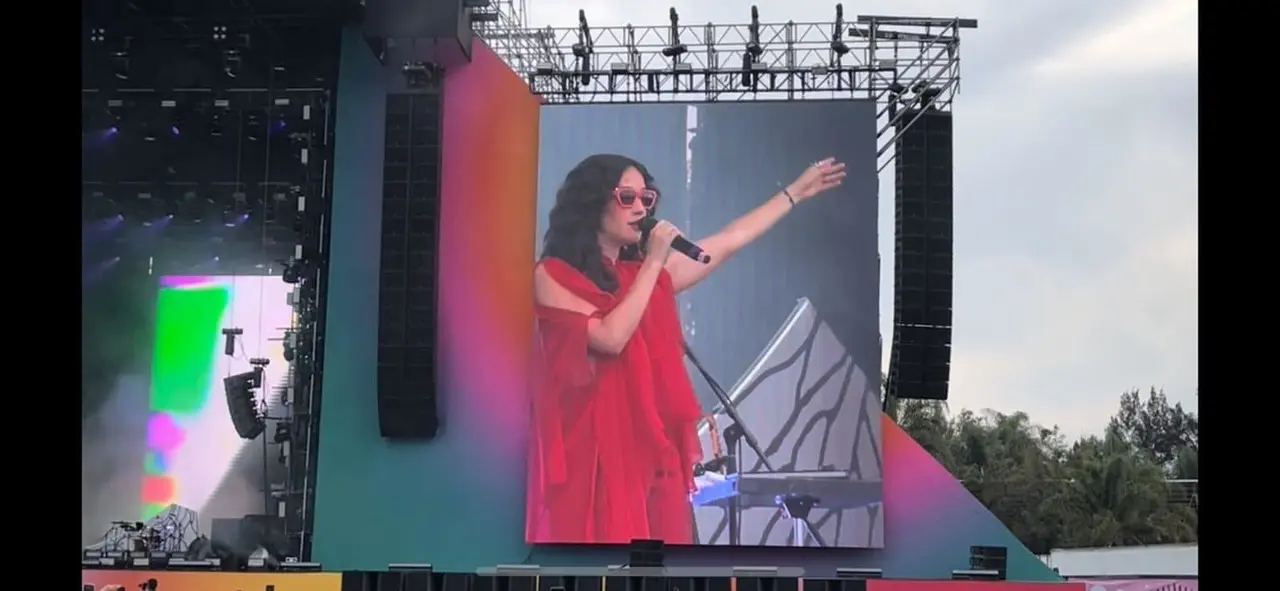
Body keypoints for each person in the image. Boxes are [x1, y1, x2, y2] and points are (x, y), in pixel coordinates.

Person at [526, 153, 847, 544]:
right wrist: (654, 262)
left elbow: (728, 241)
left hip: (651, 464)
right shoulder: (551, 274)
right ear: (591, 202)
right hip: (594, 465)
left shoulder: (643, 276)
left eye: (647, 198)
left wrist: (794, 194)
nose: (641, 208)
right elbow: (610, 337)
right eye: (627, 198)